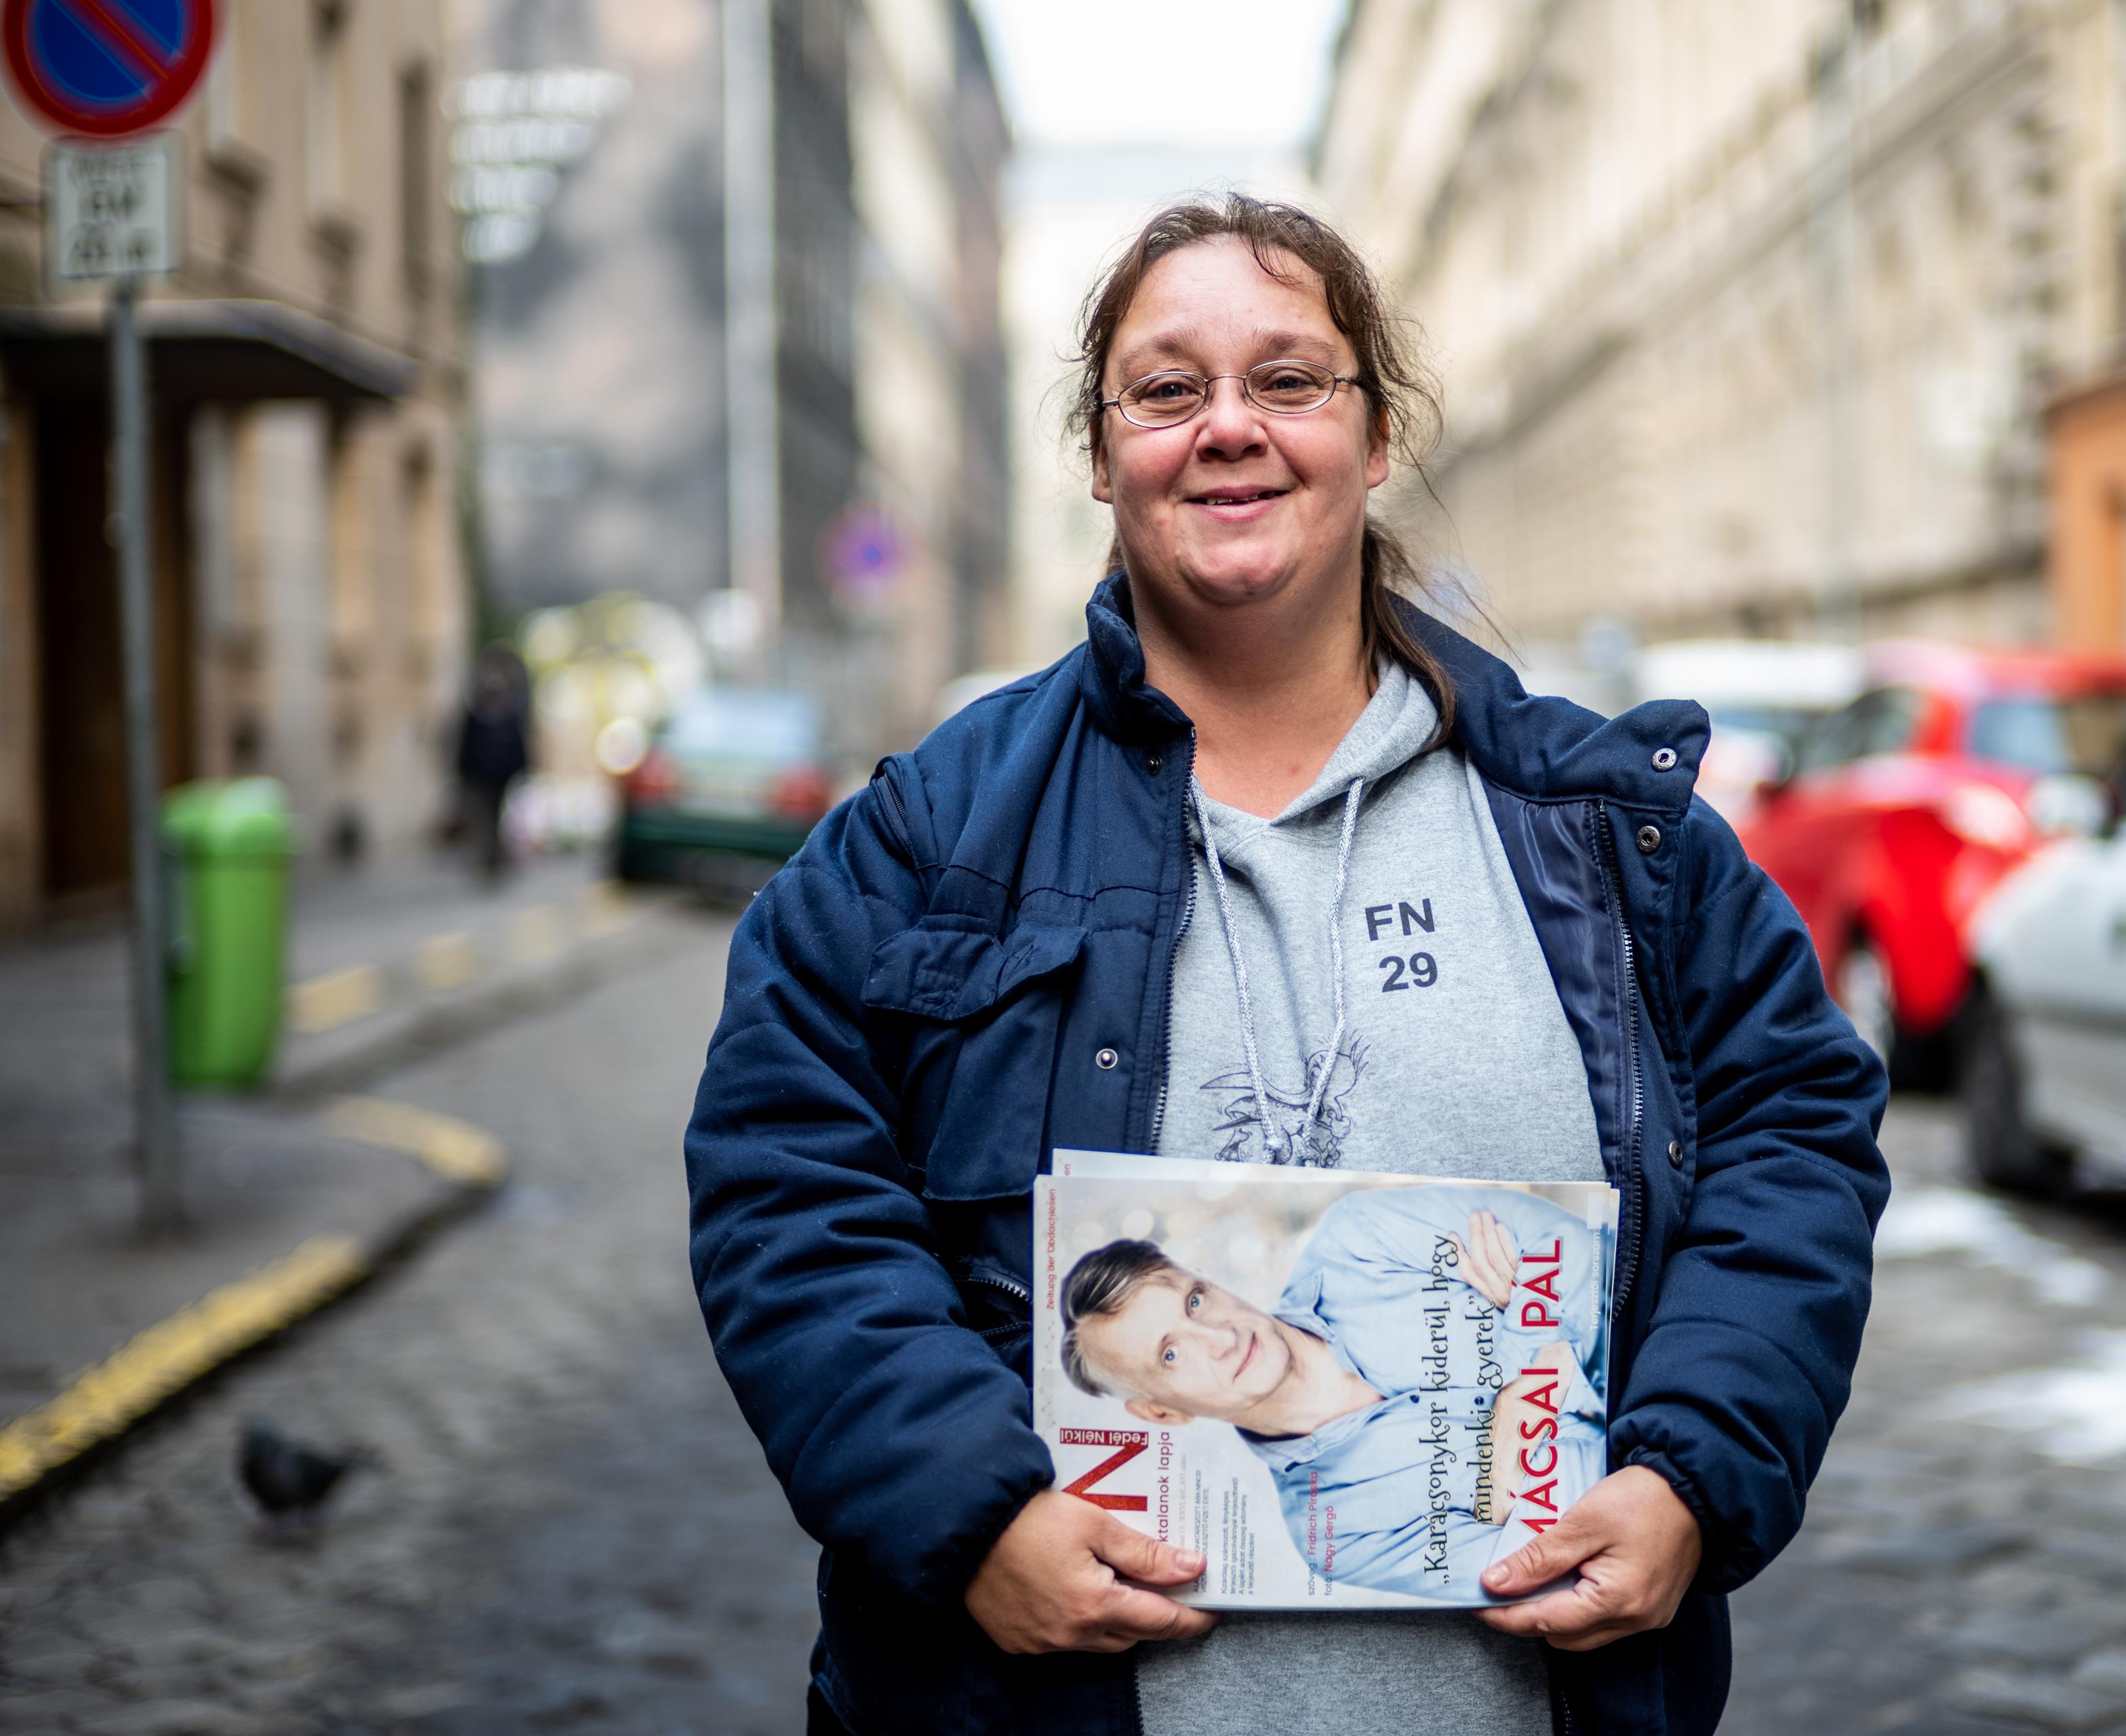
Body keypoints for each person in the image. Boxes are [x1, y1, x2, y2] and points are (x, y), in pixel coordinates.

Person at [685, 194, 1889, 1736]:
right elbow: (787, 1183)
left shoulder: (1607, 833)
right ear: (1103, 449)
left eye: (1289, 378)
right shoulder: (929, 842)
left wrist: (1686, 1470)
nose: (1227, 428)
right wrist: (968, 1513)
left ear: (1374, 435)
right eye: (1167, 388)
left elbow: (1791, 1131)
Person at [1058, 1187, 1611, 1598]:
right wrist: (1533, 1337)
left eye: (1195, 1302)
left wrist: (1510, 1451)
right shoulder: (1331, 1536)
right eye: (1171, 1355)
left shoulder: (1358, 1238)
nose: (1220, 1339)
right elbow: (1533, 1567)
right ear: (1164, 1412)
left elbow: (1578, 1255)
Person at [453, 644, 530, 884]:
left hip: (500, 777)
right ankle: (488, 856)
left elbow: (518, 746)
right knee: (482, 818)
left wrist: (520, 770)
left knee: (496, 818)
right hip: (480, 776)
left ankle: (495, 857)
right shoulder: (477, 714)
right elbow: (465, 745)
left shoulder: (508, 715)